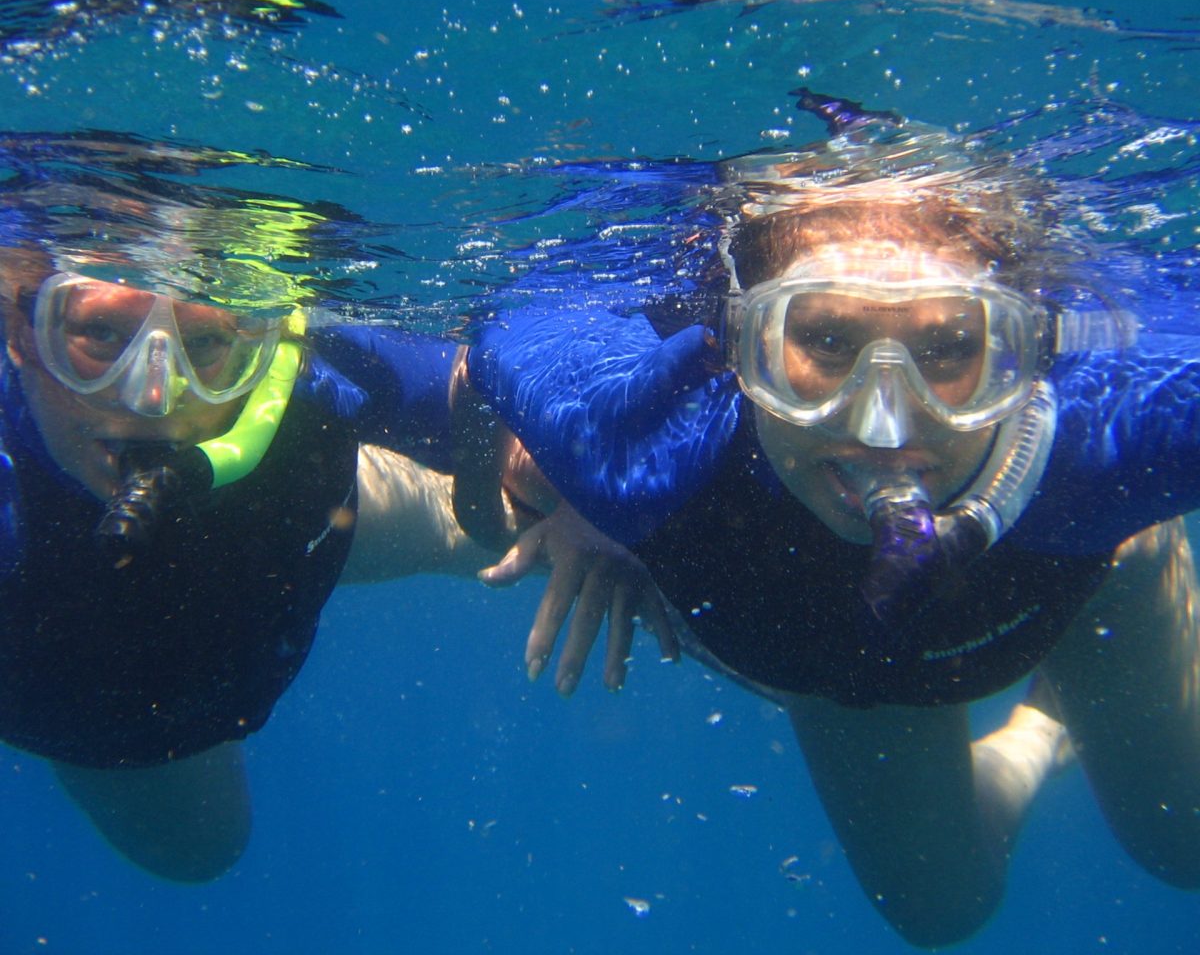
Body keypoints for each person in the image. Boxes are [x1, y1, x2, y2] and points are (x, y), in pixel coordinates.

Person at [464, 91, 1200, 946]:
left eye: (950, 349)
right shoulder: (633, 451)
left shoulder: (1127, 445)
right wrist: (554, 485)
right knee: (940, 910)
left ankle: (1144, 550)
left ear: (1024, 350)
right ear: (739, 346)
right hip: (855, 664)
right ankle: (1042, 731)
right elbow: (491, 341)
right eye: (826, 343)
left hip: (1094, 573)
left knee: (1184, 848)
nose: (883, 425)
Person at [0, 250, 674, 883]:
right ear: (19, 331)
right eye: (99, 334)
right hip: (94, 717)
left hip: (304, 530)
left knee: (575, 544)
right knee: (199, 849)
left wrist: (589, 490)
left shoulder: (309, 379)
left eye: (203, 344)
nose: (151, 395)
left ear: (260, 348)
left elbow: (498, 381)